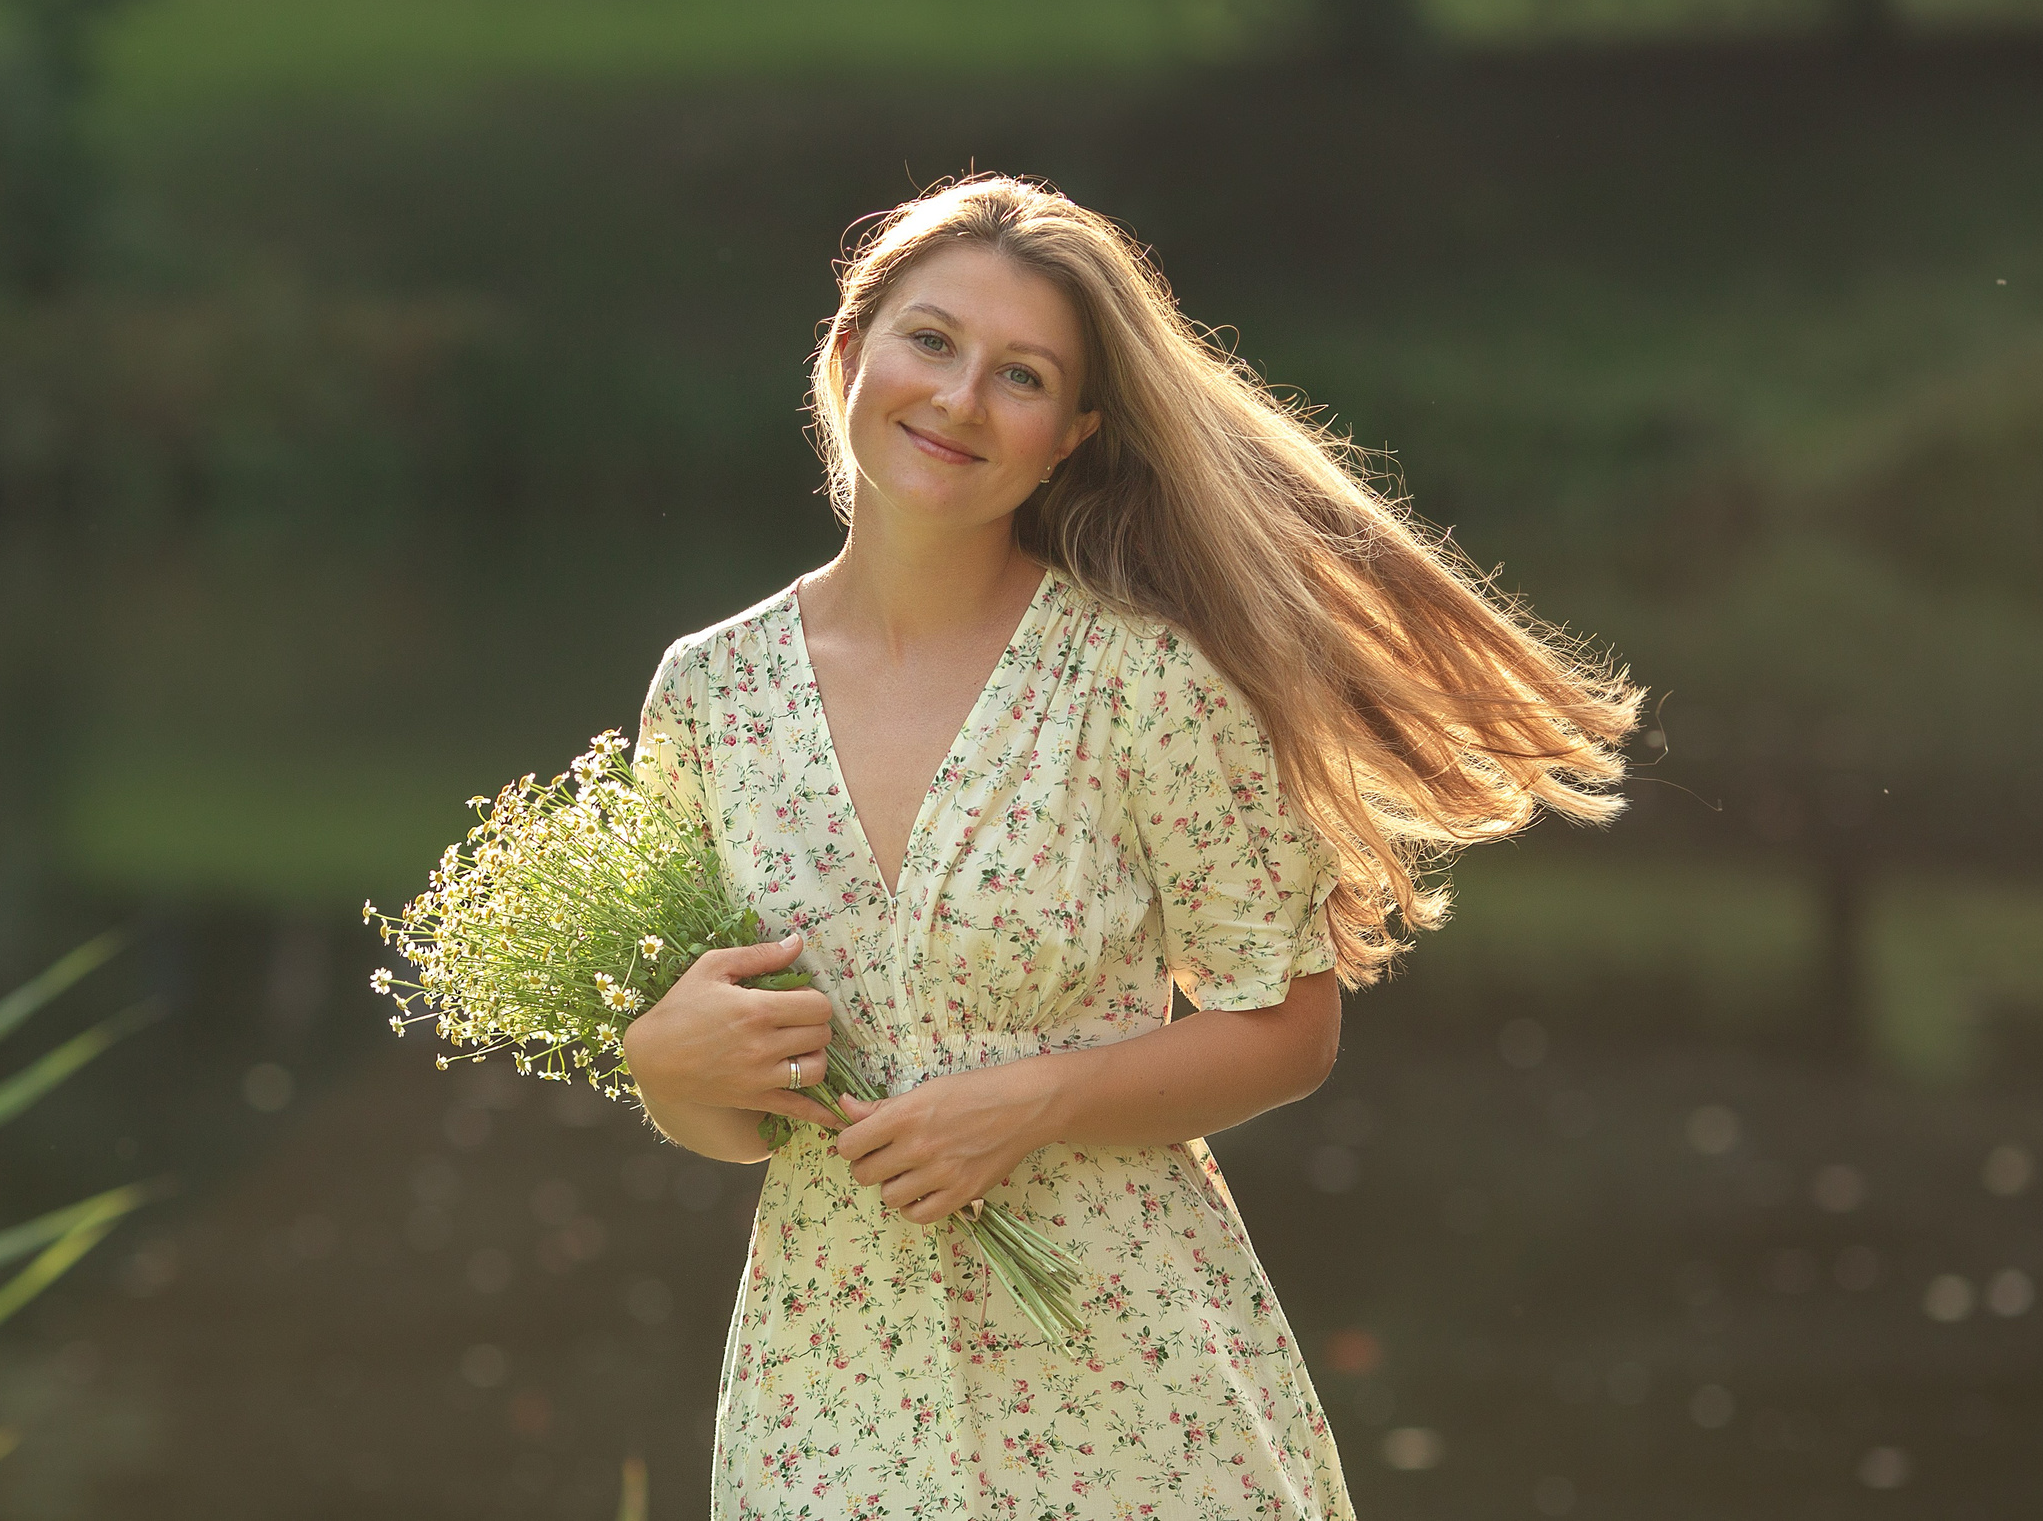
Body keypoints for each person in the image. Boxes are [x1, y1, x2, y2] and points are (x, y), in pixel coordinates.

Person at [621, 175, 1642, 1518]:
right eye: (930, 341)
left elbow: (1285, 1028)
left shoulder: (1147, 682)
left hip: (1121, 1388)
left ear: (1073, 436)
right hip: (831, 1398)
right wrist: (663, 1064)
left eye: (1022, 375)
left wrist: (1033, 1101)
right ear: (849, 351)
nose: (960, 399)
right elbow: (735, 1121)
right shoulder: (709, 696)